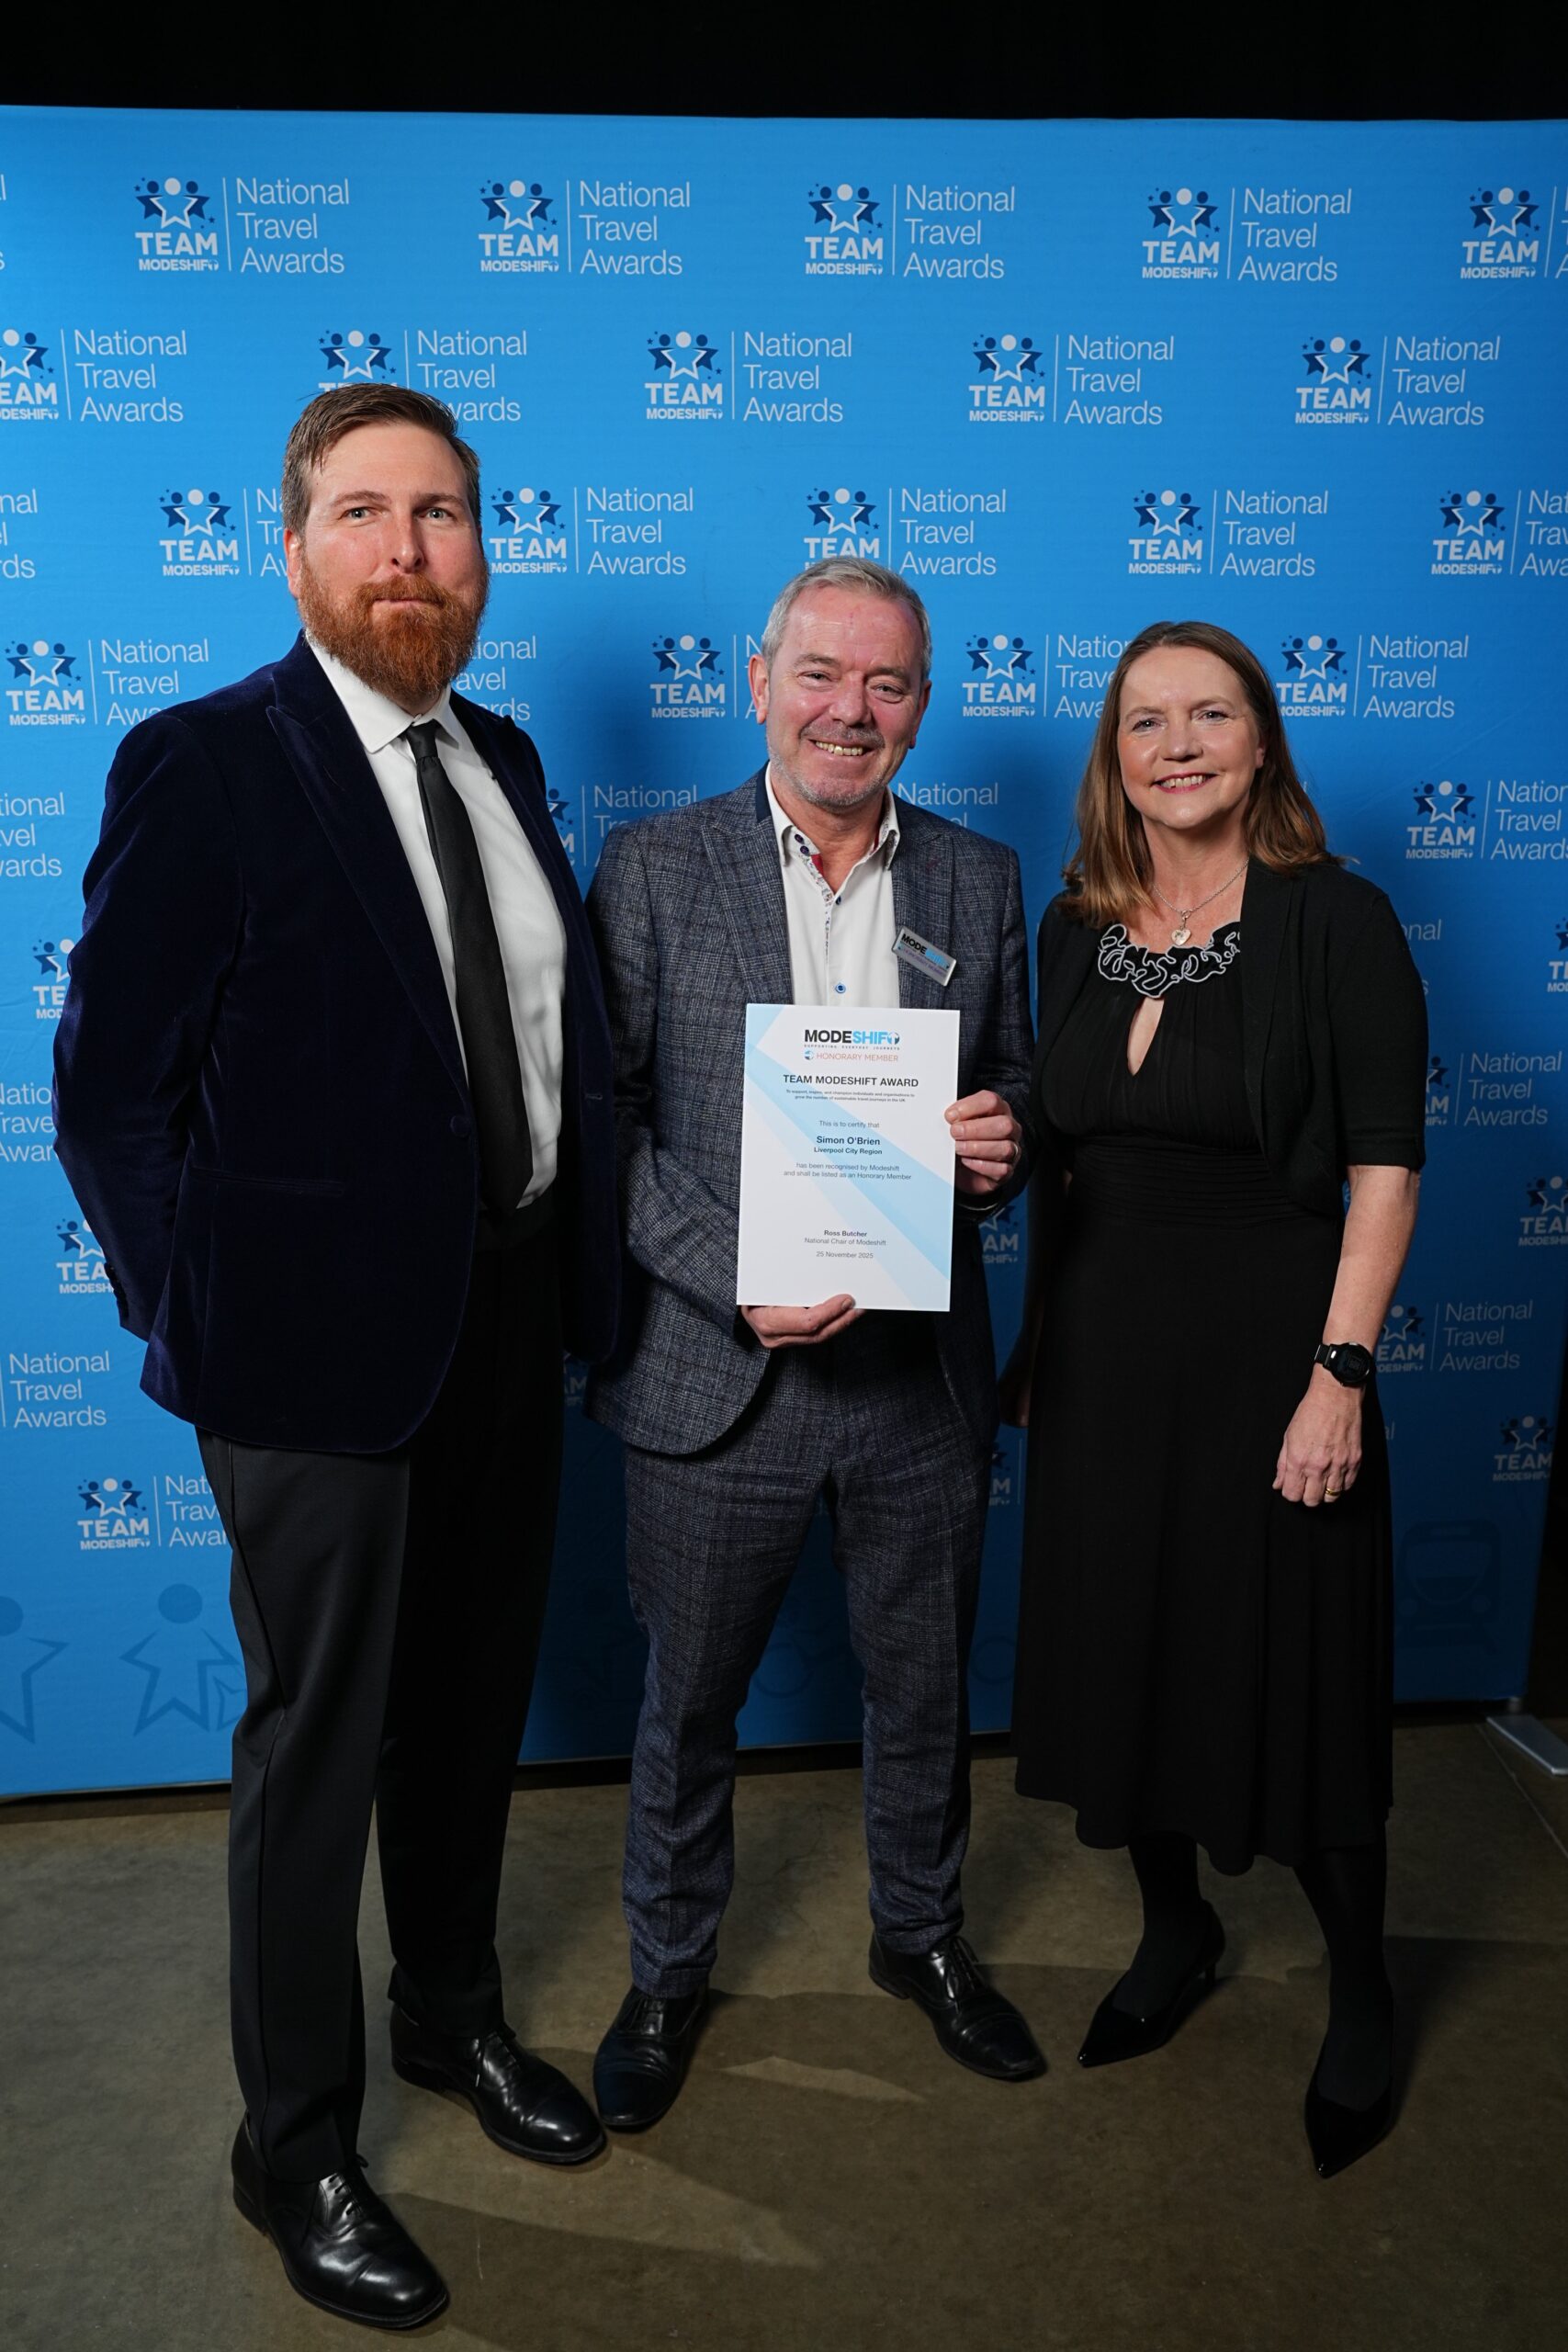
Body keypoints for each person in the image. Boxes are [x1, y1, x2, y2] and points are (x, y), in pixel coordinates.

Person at [52, 384, 619, 2331]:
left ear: (482, 552)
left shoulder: (504, 755)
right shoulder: (205, 761)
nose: (406, 552)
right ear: (290, 549)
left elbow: (539, 1044)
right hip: (306, 1363)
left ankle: (449, 2014)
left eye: (440, 515)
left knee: (469, 1706)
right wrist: (202, 1317)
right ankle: (292, 2142)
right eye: (364, 514)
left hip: (509, 1313)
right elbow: (107, 1092)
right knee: (319, 1745)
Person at [582, 558, 1043, 2132]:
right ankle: (667, 1974)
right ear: (759, 683)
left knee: (923, 1691)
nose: (852, 710)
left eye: (888, 683)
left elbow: (1019, 1089)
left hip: (916, 1380)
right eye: (823, 675)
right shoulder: (654, 867)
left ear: (923, 706)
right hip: (723, 1377)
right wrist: (736, 1279)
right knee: (688, 1705)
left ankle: (921, 1938)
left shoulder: (979, 878)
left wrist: (1001, 1142)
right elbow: (606, 1127)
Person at [1004, 618, 1425, 2180]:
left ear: (1262, 742)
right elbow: (1061, 1166)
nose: (1176, 746)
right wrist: (1036, 1340)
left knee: (1296, 1674)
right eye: (1145, 722)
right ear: (1113, 758)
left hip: (1275, 1359)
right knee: (1125, 1658)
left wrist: (1340, 1379)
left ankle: (1363, 1988)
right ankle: (1175, 1930)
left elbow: (1386, 1173)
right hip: (1105, 1365)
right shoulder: (1072, 929)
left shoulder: (1338, 922)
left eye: (1210, 715)